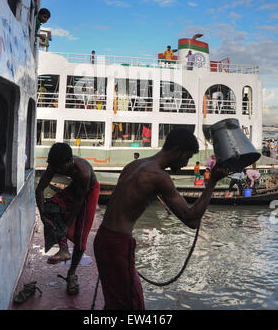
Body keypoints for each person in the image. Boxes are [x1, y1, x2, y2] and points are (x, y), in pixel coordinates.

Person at [93, 128, 228, 310]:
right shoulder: (159, 177)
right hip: (117, 244)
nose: (186, 162)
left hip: (103, 238)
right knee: (131, 305)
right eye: (187, 157)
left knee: (114, 300)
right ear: (178, 151)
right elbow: (191, 220)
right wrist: (212, 183)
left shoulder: (135, 165)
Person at [35, 143, 100, 295]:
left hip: (89, 191)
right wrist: (44, 216)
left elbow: (78, 202)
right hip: (74, 187)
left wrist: (67, 225)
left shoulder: (82, 171)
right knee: (51, 207)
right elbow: (39, 189)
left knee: (81, 238)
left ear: (69, 161)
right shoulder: (55, 164)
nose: (56, 171)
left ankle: (71, 273)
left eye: (59, 168)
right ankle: (63, 249)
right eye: (54, 168)